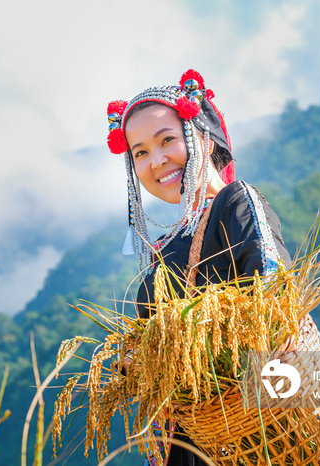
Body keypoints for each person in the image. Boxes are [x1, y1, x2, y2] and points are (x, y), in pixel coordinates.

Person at [106, 69, 291, 465]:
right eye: (139, 152)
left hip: (254, 438)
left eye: (167, 140)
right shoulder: (161, 257)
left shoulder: (235, 204)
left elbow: (277, 299)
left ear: (203, 139)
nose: (156, 161)